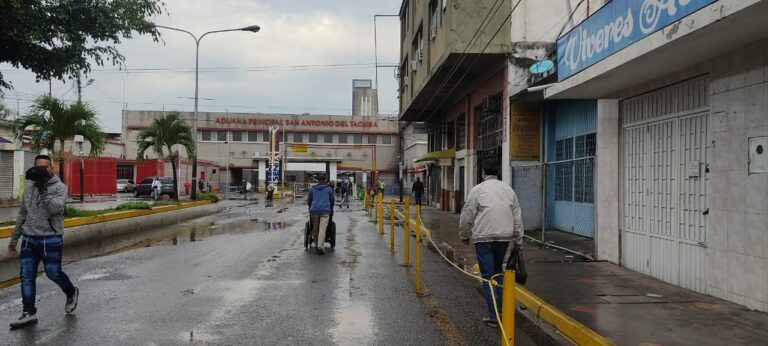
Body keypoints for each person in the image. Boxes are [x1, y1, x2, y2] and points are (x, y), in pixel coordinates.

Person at [8, 155, 78, 328]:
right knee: (26, 276)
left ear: (52, 169)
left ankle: (71, 291)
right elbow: (22, 213)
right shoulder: (30, 186)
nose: (41, 170)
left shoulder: (60, 187)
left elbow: (55, 209)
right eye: (37, 167)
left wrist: (43, 189)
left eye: (45, 167)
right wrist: (14, 238)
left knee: (53, 272)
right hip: (29, 238)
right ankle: (28, 312)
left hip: (51, 238)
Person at [459, 159, 523, 328]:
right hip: (504, 238)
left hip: (483, 239)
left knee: (488, 276)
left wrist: (464, 236)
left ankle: (494, 317)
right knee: (498, 272)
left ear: (483, 173)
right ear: (498, 173)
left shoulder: (477, 190)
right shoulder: (508, 190)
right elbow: (517, 217)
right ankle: (501, 310)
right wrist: (518, 240)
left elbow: (467, 215)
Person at [307, 174, 334, 255]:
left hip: (314, 210)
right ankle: (320, 246)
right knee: (322, 229)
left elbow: (309, 201)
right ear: (325, 180)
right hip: (325, 211)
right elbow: (332, 200)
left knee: (315, 228)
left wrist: (310, 208)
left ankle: (316, 244)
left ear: (317, 180)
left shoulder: (312, 189)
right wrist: (331, 208)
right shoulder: (329, 189)